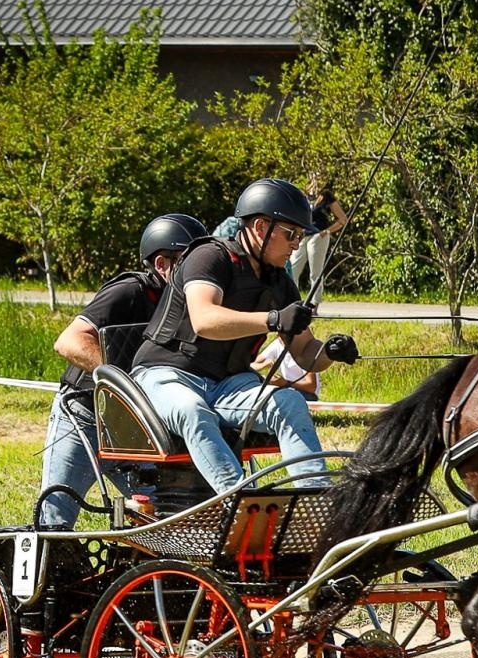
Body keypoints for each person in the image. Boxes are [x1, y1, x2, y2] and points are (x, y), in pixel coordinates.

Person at [131, 177, 360, 494]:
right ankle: (240, 500)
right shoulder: (210, 256)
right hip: (166, 373)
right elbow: (204, 319)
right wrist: (274, 319)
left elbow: (305, 351)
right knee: (191, 411)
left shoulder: (279, 281)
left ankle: (314, 500)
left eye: (300, 237)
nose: (296, 244)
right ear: (261, 227)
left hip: (229, 382)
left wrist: (331, 352)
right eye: (290, 234)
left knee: (290, 402)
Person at [37, 213, 207, 530]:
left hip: (138, 425)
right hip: (85, 415)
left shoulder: (192, 304)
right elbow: (68, 341)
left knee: (165, 517)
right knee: (54, 519)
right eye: (190, 261)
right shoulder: (130, 292)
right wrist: (123, 383)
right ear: (161, 264)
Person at [289, 176, 348, 305]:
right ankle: (291, 299)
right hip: (304, 236)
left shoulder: (326, 196)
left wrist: (327, 231)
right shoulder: (304, 195)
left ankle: (314, 303)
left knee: (315, 271)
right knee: (293, 267)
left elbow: (343, 219)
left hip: (318, 236)